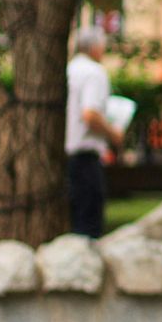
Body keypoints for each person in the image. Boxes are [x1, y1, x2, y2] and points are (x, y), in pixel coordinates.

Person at [64, 25, 124, 238]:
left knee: (73, 221)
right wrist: (114, 134)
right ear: (96, 47)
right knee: (88, 225)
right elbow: (90, 114)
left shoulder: (68, 70)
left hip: (64, 157)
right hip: (85, 156)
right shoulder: (94, 73)